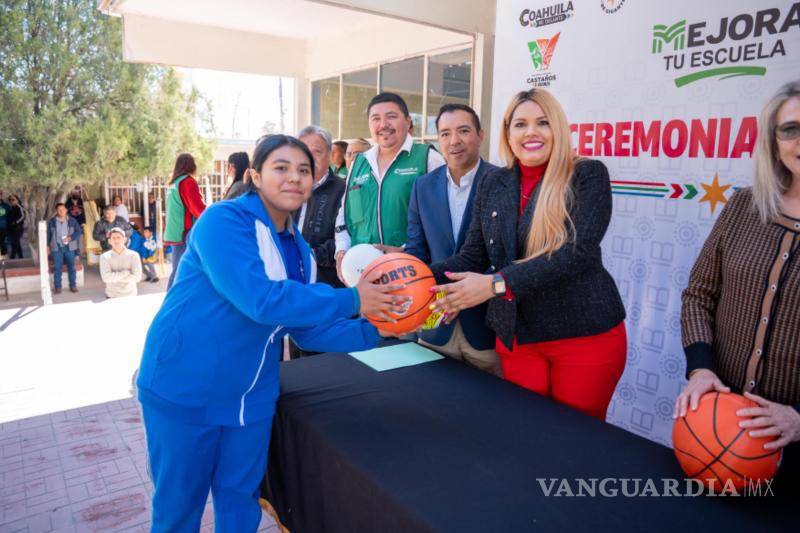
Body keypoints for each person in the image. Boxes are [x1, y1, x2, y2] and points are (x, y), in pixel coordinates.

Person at [136, 135, 408, 532]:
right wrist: (352, 299)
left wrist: (383, 326)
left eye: (303, 170)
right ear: (255, 175)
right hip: (184, 389)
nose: (294, 178)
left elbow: (308, 333)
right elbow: (260, 300)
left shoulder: (299, 250)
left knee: (240, 505)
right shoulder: (224, 221)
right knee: (178, 510)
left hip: (250, 398)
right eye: (281, 168)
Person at [428, 89, 627, 421]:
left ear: (558, 129)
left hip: (584, 337)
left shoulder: (588, 175)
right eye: (520, 124)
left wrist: (494, 284)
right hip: (518, 338)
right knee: (528, 432)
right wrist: (415, 276)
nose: (530, 132)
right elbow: (471, 256)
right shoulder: (494, 183)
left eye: (542, 123)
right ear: (507, 133)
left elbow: (575, 254)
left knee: (577, 440)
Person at [675, 81, 800, 484]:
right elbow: (699, 295)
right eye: (790, 128)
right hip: (717, 428)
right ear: (773, 140)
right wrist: (700, 370)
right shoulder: (745, 205)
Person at [406, 104, 501, 375]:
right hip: (435, 325)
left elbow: (507, 254)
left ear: (480, 135)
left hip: (486, 327)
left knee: (491, 410)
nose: (454, 141)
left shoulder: (503, 182)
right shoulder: (422, 186)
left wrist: (464, 295)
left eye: (463, 131)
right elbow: (416, 250)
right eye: (445, 133)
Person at [334, 92, 446, 281]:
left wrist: (407, 249)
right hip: (365, 274)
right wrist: (341, 251)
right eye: (376, 118)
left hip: (410, 272)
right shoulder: (358, 163)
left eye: (391, 117)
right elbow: (344, 216)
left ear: (408, 122)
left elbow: (443, 221)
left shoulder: (428, 158)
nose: (383, 124)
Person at [296, 125, 346, 288]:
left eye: (316, 152)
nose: (309, 158)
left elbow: (347, 237)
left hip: (326, 287)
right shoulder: (287, 189)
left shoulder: (344, 190)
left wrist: (309, 255)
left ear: (331, 155)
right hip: (288, 284)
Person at [164, 153, 206, 289]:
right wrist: (213, 214)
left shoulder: (173, 183)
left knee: (180, 270)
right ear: (191, 165)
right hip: (184, 232)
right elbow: (197, 208)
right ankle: (169, 305)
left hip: (174, 231)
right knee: (180, 272)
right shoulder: (187, 182)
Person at [46, 202, 82, 294]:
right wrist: (47, 246)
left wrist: (71, 237)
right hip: (56, 248)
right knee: (57, 268)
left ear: (66, 210)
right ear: (56, 211)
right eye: (59, 210)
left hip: (69, 248)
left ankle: (73, 286)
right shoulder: (52, 222)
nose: (61, 211)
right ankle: (58, 287)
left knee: (71, 267)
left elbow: (79, 232)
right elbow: (48, 234)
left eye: (63, 209)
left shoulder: (72, 221)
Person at [99, 227, 142, 298]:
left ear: (124, 239)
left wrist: (114, 279)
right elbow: (106, 278)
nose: (116, 240)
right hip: (112, 295)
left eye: (119, 237)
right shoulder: (105, 257)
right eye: (113, 238)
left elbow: (137, 277)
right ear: (109, 241)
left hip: (130, 294)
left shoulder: (134, 255)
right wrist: (125, 273)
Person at [6, 194, 26, 259]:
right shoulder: (11, 208)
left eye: (13, 199)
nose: (11, 201)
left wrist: (15, 222)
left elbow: (23, 216)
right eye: (10, 200)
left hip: (18, 228)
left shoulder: (19, 207)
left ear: (17, 200)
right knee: (16, 243)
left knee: (14, 242)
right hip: (11, 229)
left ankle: (12, 257)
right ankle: (21, 257)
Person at [0, 192, 9, 258]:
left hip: (3, 227)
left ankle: (4, 259)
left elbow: (10, 216)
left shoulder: (6, 206)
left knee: (3, 242)